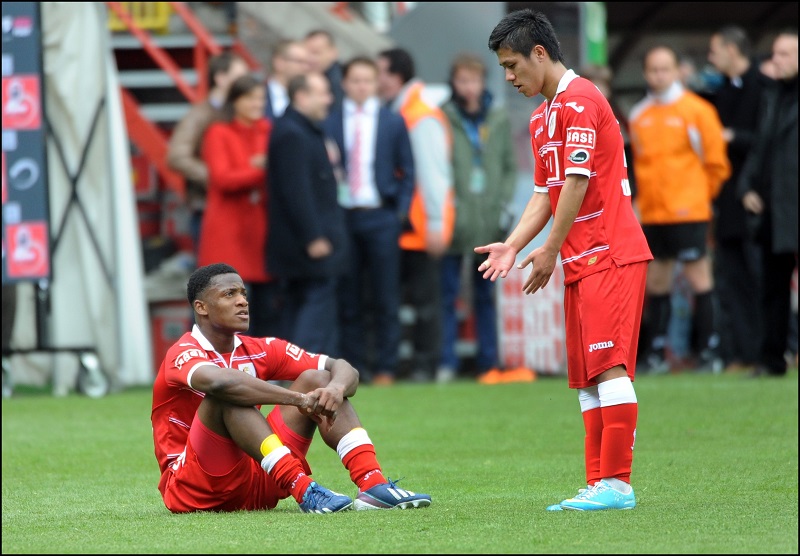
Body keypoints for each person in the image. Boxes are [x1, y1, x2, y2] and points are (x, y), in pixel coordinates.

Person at [477, 8, 653, 511]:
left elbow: (576, 182)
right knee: (586, 378)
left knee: (609, 368)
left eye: (513, 65)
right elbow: (545, 193)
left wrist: (549, 250)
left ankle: (617, 484)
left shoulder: (579, 100)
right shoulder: (543, 115)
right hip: (581, 258)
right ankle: (598, 483)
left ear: (540, 53)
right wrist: (514, 244)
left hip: (610, 253)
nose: (509, 77)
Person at [151, 262, 431, 514]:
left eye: (244, 294)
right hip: (195, 487)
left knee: (319, 379)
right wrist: (297, 399)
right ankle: (303, 488)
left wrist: (334, 388)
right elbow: (221, 383)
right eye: (229, 295)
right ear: (201, 307)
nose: (242, 302)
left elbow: (344, 369)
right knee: (226, 396)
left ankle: (373, 484)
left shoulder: (259, 348)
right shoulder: (183, 352)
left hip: (258, 478)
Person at [628, 44, 731, 374]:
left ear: (676, 71)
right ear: (645, 73)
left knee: (698, 277)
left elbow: (716, 163)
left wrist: (699, 198)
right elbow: (639, 166)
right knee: (656, 282)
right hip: (654, 213)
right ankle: (657, 352)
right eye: (653, 70)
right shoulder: (639, 115)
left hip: (688, 210)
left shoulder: (697, 110)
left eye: (664, 69)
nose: (658, 75)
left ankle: (709, 350)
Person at [322, 56, 415, 384]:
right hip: (344, 217)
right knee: (348, 296)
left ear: (376, 83)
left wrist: (399, 211)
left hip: (381, 215)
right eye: (355, 80)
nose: (361, 86)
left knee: (385, 295)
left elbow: (408, 170)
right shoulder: (330, 121)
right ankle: (352, 366)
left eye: (367, 80)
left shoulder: (392, 121)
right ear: (344, 84)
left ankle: (386, 367)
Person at [437, 52, 527, 385]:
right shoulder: (444, 116)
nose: (469, 87)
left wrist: (501, 203)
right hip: (455, 220)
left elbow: (508, 166)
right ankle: (446, 361)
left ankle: (488, 361)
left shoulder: (497, 117)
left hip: (488, 220)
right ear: (454, 83)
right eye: (462, 80)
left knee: (485, 296)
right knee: (447, 294)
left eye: (473, 80)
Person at [376, 47, 455, 385]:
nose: (377, 80)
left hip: (423, 225)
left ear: (395, 76)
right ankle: (421, 365)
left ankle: (426, 365)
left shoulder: (419, 114)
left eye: (380, 72)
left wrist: (436, 222)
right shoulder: (407, 110)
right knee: (418, 300)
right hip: (412, 224)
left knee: (426, 302)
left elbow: (433, 173)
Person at [265, 72, 348, 356]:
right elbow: (296, 191)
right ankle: (301, 368)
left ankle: (295, 369)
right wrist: (313, 236)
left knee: (301, 303)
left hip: (306, 239)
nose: (329, 99)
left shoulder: (303, 129)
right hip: (305, 242)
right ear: (301, 96)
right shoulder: (292, 133)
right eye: (322, 93)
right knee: (313, 303)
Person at [706, 25, 771, 372]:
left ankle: (774, 348)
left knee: (760, 276)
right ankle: (745, 353)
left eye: (715, 50)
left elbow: (766, 142)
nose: (711, 58)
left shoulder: (763, 88)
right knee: (733, 280)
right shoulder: (723, 92)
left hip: (756, 198)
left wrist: (731, 136)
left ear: (733, 50)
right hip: (727, 200)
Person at [197, 75, 280, 339]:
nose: (257, 104)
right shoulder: (218, 132)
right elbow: (223, 179)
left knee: (265, 307)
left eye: (261, 98)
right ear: (235, 101)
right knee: (228, 306)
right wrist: (261, 169)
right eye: (251, 98)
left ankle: (263, 371)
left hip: (261, 229)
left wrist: (260, 168)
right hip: (229, 230)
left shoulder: (268, 129)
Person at [737, 30, 798, 378]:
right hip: (775, 210)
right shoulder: (773, 97)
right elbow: (761, 149)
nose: (777, 61)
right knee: (772, 289)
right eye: (775, 54)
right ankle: (772, 359)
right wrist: (746, 185)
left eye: (785, 54)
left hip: (792, 204)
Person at [167, 51, 250, 254]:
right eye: (239, 76)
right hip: (208, 208)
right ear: (220, 79)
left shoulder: (235, 111)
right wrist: (217, 177)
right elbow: (177, 156)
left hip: (235, 206)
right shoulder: (201, 114)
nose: (245, 82)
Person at [264, 39, 311, 121]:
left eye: (307, 63)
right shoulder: (259, 94)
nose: (305, 68)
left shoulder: (308, 102)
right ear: (279, 62)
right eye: (300, 62)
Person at [304, 29, 345, 110]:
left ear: (333, 53)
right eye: (306, 52)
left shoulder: (337, 85)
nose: (310, 58)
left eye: (316, 53)